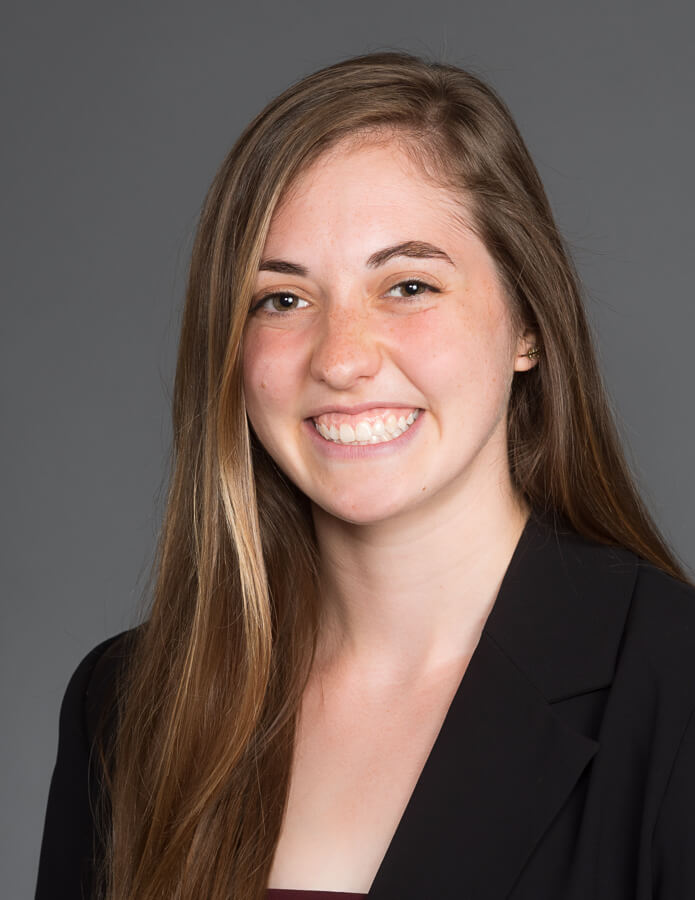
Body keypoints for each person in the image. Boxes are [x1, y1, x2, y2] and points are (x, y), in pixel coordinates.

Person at [36, 50, 695, 900]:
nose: (341, 359)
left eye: (408, 284)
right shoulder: (125, 707)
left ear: (527, 324)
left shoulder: (675, 692)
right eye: (282, 299)